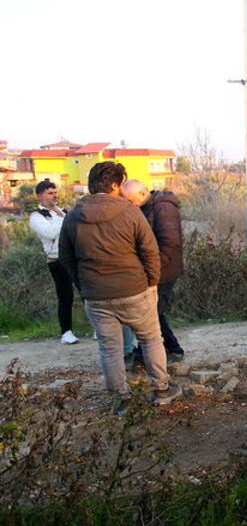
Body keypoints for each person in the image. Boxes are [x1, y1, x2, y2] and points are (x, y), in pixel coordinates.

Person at [59, 161, 181, 412]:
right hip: (135, 290)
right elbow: (150, 251)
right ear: (114, 185)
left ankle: (120, 399)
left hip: (96, 295)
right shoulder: (130, 212)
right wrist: (151, 282)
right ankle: (161, 389)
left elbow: (66, 258)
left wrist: (84, 287)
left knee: (109, 348)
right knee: (150, 339)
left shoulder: (72, 216)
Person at [120, 180, 186, 365]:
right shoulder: (148, 207)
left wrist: (151, 269)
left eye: (129, 200)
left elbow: (170, 244)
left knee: (151, 314)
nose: (128, 204)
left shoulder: (163, 208)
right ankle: (172, 348)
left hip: (164, 270)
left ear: (141, 194)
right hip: (158, 269)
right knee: (155, 311)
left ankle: (146, 355)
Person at [28, 180, 77, 344]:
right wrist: (61, 216)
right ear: (40, 196)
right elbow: (49, 233)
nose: (54, 195)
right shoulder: (36, 216)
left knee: (87, 293)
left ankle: (96, 329)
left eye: (55, 192)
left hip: (75, 257)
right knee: (65, 296)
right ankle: (66, 332)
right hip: (56, 260)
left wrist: (62, 214)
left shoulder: (64, 212)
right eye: (50, 193)